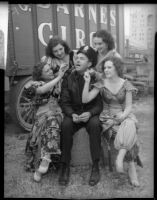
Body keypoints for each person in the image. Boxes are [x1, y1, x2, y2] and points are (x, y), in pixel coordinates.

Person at [82, 55, 142, 187]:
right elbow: (85, 99)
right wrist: (87, 82)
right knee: (128, 130)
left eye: (109, 67)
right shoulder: (101, 83)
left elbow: (128, 107)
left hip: (123, 115)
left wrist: (123, 115)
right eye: (105, 68)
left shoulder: (126, 84)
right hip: (107, 117)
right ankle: (131, 167)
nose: (106, 70)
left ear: (117, 68)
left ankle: (121, 157)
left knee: (130, 123)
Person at [58, 45, 103, 186]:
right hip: (74, 114)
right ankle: (64, 166)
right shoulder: (68, 77)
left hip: (90, 114)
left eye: (82, 58)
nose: (77, 60)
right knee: (65, 125)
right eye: (76, 58)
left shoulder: (95, 77)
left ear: (89, 63)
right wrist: (71, 114)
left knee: (95, 125)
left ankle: (95, 166)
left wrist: (90, 113)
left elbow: (99, 105)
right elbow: (64, 102)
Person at [24, 59, 68, 182]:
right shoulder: (34, 84)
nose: (50, 71)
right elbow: (42, 90)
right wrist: (59, 76)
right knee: (49, 121)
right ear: (40, 75)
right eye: (47, 70)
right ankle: (42, 164)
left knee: (52, 118)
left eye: (50, 69)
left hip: (56, 113)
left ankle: (46, 158)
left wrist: (60, 73)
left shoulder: (57, 82)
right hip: (42, 116)